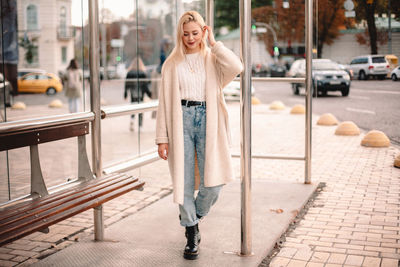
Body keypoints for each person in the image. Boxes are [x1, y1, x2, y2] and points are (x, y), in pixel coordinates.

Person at [155, 11, 243, 260]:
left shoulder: (212, 58)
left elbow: (237, 67)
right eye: (185, 34)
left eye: (195, 33)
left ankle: (193, 217)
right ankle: (191, 232)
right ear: (179, 35)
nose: (190, 38)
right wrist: (162, 138)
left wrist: (215, 44)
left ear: (203, 31)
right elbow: (163, 103)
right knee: (182, 181)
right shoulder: (171, 64)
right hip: (180, 120)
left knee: (213, 184)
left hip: (208, 119)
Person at [124, 57, 152, 131]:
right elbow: (145, 86)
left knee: (133, 107)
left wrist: (125, 94)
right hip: (141, 94)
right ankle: (140, 127)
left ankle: (132, 120)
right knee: (140, 109)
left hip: (133, 93)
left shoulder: (129, 73)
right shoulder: (143, 73)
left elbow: (126, 84)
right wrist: (149, 94)